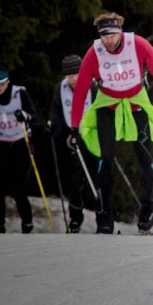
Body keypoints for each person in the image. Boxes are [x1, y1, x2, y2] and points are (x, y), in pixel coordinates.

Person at [70, 12, 153, 235]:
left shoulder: (138, 44)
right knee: (105, 160)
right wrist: (75, 126)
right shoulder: (94, 52)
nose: (109, 40)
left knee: (145, 159)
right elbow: (80, 92)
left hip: (136, 105)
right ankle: (105, 219)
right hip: (108, 106)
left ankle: (146, 215)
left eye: (113, 34)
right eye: (104, 35)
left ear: (120, 32)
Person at [47, 55, 99, 233]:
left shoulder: (93, 84)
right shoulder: (60, 88)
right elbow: (57, 111)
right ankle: (75, 219)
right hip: (73, 138)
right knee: (75, 180)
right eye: (69, 76)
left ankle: (103, 217)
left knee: (97, 178)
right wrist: (53, 125)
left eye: (76, 74)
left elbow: (102, 109)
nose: (73, 79)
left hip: (93, 136)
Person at [0, 67, 39, 233]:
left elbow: (34, 117)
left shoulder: (19, 94)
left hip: (20, 143)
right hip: (0, 144)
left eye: (0, 84)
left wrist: (24, 116)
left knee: (18, 189)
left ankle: (27, 223)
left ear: (7, 83)